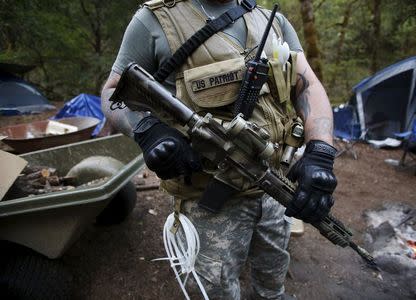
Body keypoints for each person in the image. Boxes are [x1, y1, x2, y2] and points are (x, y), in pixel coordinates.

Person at [101, 0, 337, 299]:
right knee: (214, 290)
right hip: (208, 200)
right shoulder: (154, 20)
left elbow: (308, 87)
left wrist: (320, 151)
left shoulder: (271, 20)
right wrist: (149, 131)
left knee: (273, 280)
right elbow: (113, 92)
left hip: (276, 189)